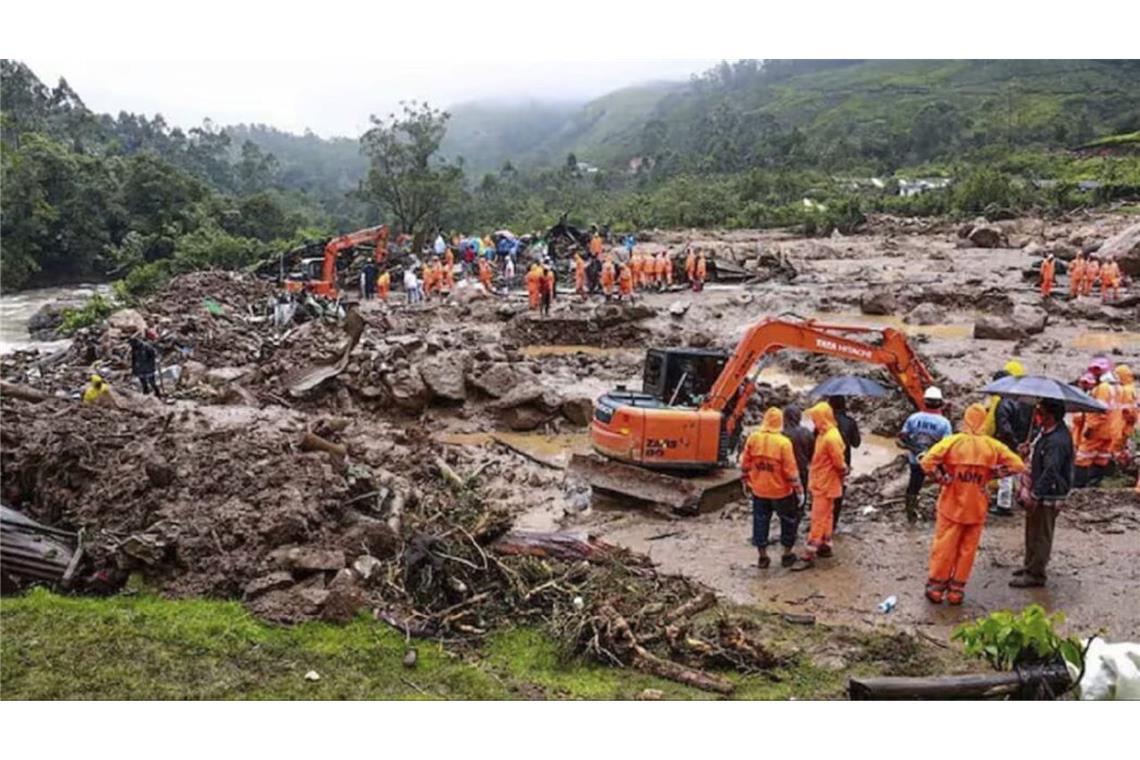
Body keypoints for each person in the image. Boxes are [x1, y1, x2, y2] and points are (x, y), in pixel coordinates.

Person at [921, 403, 1025, 605]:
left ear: (966, 420)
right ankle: (956, 591)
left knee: (945, 546)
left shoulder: (953, 442)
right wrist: (993, 474)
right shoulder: (992, 446)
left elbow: (927, 462)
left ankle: (936, 587)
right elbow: (1018, 465)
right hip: (977, 506)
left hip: (951, 503)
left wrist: (941, 478)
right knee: (967, 550)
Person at [1010, 399, 1073, 589]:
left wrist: (1036, 494)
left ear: (1049, 416)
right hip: (1041, 489)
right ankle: (1030, 565)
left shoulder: (1057, 441)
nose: (1036, 415)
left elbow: (1051, 470)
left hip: (1048, 493)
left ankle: (1036, 574)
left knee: (1041, 533)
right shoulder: (1047, 433)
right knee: (1032, 530)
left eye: (1040, 412)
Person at [741, 407, 804, 569]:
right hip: (781, 491)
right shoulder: (783, 443)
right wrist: (799, 491)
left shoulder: (753, 438)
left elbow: (745, 464)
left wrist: (746, 482)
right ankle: (786, 554)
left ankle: (762, 557)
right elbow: (791, 471)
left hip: (759, 490)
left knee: (760, 521)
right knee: (788, 521)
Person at [796, 401, 847, 568]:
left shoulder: (831, 437)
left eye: (815, 418)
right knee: (827, 515)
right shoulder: (825, 434)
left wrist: (843, 471)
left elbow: (839, 463)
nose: (813, 421)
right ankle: (825, 545)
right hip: (823, 481)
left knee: (818, 518)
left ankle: (809, 553)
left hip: (825, 483)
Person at [899, 387, 954, 522]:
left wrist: (917, 450)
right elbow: (947, 445)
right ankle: (943, 511)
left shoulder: (914, 418)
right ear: (940, 403)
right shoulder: (944, 423)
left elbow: (903, 436)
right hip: (936, 462)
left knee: (914, 486)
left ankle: (911, 514)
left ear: (924, 401)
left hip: (915, 460)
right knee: (944, 484)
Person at [991, 360, 1033, 516]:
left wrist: (1013, 443)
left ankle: (1003, 505)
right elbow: (1032, 423)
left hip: (1009, 443)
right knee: (1021, 471)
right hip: (1024, 441)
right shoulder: (1026, 401)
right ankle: (1022, 498)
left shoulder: (1003, 404)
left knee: (1006, 475)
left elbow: (1004, 428)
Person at [1075, 357, 1123, 487]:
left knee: (1082, 457)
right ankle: (1095, 483)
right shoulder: (1118, 388)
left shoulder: (1102, 389)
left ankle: (1078, 484)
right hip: (1111, 430)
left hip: (1098, 430)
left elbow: (1099, 412)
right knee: (1101, 457)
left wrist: (1089, 428)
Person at [826, 395, 861, 529]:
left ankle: (824, 521)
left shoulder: (824, 421)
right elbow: (856, 443)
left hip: (825, 463)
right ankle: (833, 523)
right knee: (838, 492)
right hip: (843, 463)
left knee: (824, 493)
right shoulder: (849, 422)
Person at [782, 404, 814, 496]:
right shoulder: (806, 432)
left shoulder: (781, 434)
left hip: (784, 471)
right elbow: (813, 453)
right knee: (802, 495)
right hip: (802, 468)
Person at [1115, 364, 1136, 466]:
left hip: (1123, 426)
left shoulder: (1126, 391)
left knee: (1118, 450)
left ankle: (1120, 468)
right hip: (1129, 427)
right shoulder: (1132, 389)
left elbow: (1128, 411)